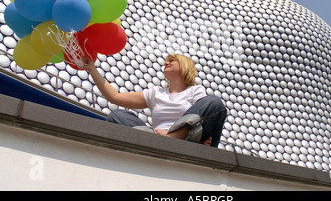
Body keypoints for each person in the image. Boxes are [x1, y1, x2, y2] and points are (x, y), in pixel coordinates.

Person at [82, 53, 227, 147]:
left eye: (171, 61)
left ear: (184, 66)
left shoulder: (195, 90)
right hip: (157, 139)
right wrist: (92, 70)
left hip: (190, 141)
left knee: (215, 104)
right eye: (165, 62)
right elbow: (115, 97)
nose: (166, 63)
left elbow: (206, 114)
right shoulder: (156, 93)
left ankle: (173, 137)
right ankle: (163, 140)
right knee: (117, 116)